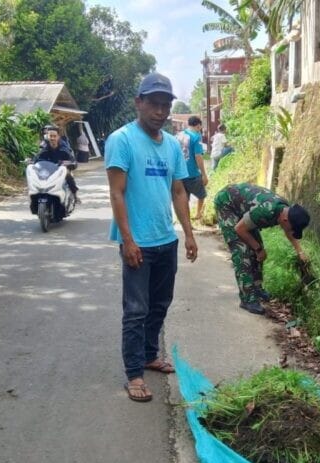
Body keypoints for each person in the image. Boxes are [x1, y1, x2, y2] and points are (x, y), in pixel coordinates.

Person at [106, 72, 197, 403]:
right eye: (154, 104)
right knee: (136, 309)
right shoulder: (122, 140)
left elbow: (178, 190)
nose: (160, 111)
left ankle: (148, 354)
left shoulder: (173, 145)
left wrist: (188, 233)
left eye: (165, 105)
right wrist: (128, 240)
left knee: (160, 303)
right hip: (138, 241)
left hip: (165, 239)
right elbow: (117, 193)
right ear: (139, 103)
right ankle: (134, 373)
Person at [214, 183, 310, 315]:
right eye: (293, 228)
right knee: (242, 252)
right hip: (227, 205)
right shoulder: (266, 211)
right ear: (285, 220)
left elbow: (289, 231)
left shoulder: (286, 211)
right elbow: (239, 229)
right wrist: (258, 249)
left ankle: (256, 288)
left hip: (246, 211)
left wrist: (300, 251)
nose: (292, 231)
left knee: (259, 250)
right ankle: (247, 299)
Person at [176, 116, 209, 222]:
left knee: (184, 198)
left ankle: (185, 220)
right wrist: (204, 174)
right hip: (192, 173)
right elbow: (198, 156)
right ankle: (198, 214)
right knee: (201, 195)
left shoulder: (178, 136)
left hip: (179, 173)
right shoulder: (196, 136)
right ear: (198, 125)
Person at [35, 126, 80, 203]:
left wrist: (70, 163)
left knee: (67, 173)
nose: (52, 138)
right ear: (47, 136)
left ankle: (75, 194)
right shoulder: (44, 149)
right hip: (49, 171)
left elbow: (72, 160)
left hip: (61, 170)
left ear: (58, 137)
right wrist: (31, 162)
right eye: (50, 136)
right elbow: (36, 159)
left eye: (54, 136)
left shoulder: (64, 148)